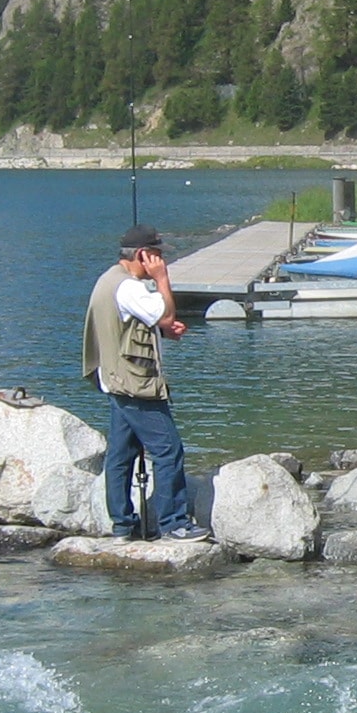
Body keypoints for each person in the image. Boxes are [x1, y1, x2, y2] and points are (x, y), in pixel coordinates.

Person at [82, 224, 207, 540]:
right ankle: (174, 523)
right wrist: (162, 280)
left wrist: (162, 332)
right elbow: (165, 315)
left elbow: (135, 324)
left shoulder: (107, 280)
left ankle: (122, 525)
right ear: (142, 255)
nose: (161, 260)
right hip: (136, 386)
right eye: (157, 254)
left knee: (120, 457)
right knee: (168, 451)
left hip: (114, 382)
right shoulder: (130, 288)